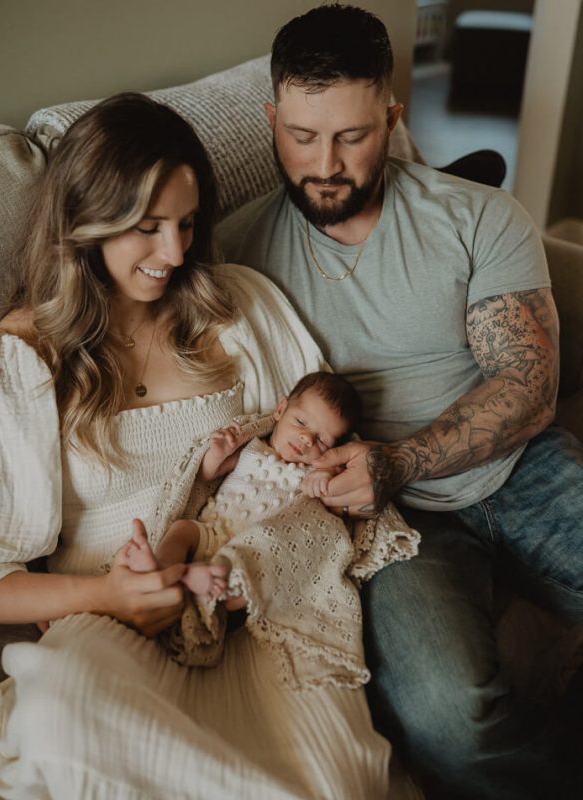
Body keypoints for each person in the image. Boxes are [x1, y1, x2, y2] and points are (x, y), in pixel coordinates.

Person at [0, 91, 423, 799]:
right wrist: (109, 595)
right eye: (147, 227)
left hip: (256, 610)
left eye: (187, 223)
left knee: (328, 778)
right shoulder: (25, 357)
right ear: (84, 224)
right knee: (64, 724)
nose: (175, 252)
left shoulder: (238, 310)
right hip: (104, 625)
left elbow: (313, 462)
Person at [216, 4, 583, 799]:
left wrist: (402, 458)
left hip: (520, 468)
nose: (326, 165)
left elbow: (530, 386)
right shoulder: (235, 254)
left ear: (392, 117)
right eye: (302, 136)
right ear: (271, 120)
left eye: (352, 136)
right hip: (391, 531)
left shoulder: (480, 216)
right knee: (450, 718)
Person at [125, 371, 362, 601]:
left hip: (253, 552)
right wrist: (218, 453)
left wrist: (325, 477)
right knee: (181, 529)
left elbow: (332, 493)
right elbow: (208, 475)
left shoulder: (316, 471)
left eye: (321, 440)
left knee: (246, 588)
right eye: (301, 422)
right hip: (213, 530)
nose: (307, 439)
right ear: (280, 410)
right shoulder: (254, 447)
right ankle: (161, 568)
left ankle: (196, 584)